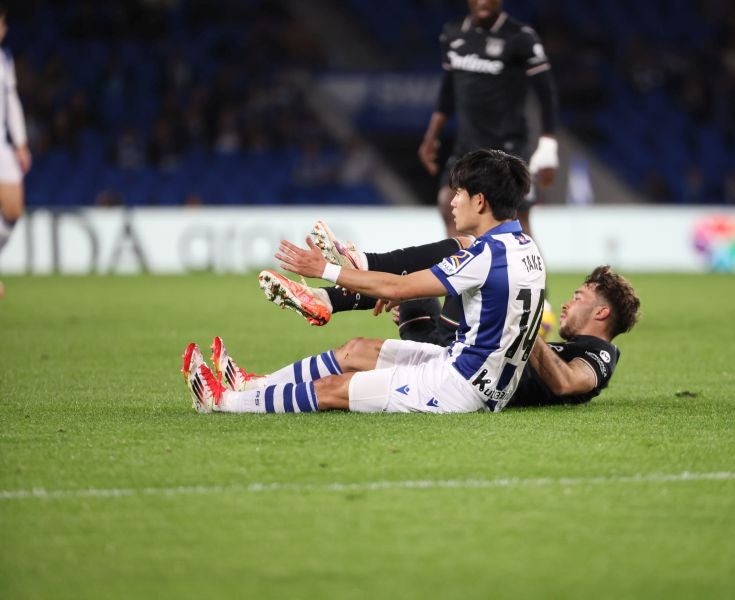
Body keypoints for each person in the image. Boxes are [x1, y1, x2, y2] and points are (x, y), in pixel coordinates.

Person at [182, 149, 546, 414]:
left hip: (460, 385)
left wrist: (323, 270)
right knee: (358, 349)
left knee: (334, 390)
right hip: (483, 375)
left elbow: (399, 289)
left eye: (459, 194)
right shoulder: (524, 247)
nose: (452, 203)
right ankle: (252, 384)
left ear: (480, 202)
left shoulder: (485, 256)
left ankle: (222, 401)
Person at [253, 225, 640, 408]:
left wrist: (521, 327)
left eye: (579, 296)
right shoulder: (569, 344)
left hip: (458, 365)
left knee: (465, 251)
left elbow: (569, 384)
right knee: (454, 262)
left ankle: (334, 291)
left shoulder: (599, 353)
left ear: (602, 312)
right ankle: (326, 298)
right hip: (456, 349)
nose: (569, 303)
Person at [418, 0, 560, 239]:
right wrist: (431, 137)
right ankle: (464, 274)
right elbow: (448, 90)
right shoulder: (452, 33)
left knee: (515, 219)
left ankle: (528, 276)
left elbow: (546, 92)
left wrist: (548, 145)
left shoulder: (520, 37)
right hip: (467, 145)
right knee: (448, 204)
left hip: (508, 146)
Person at [0, 4, 31, 299]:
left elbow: (11, 102)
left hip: (1, 145)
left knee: (13, 208)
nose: (3, 30)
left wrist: (20, 143)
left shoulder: (3, 58)